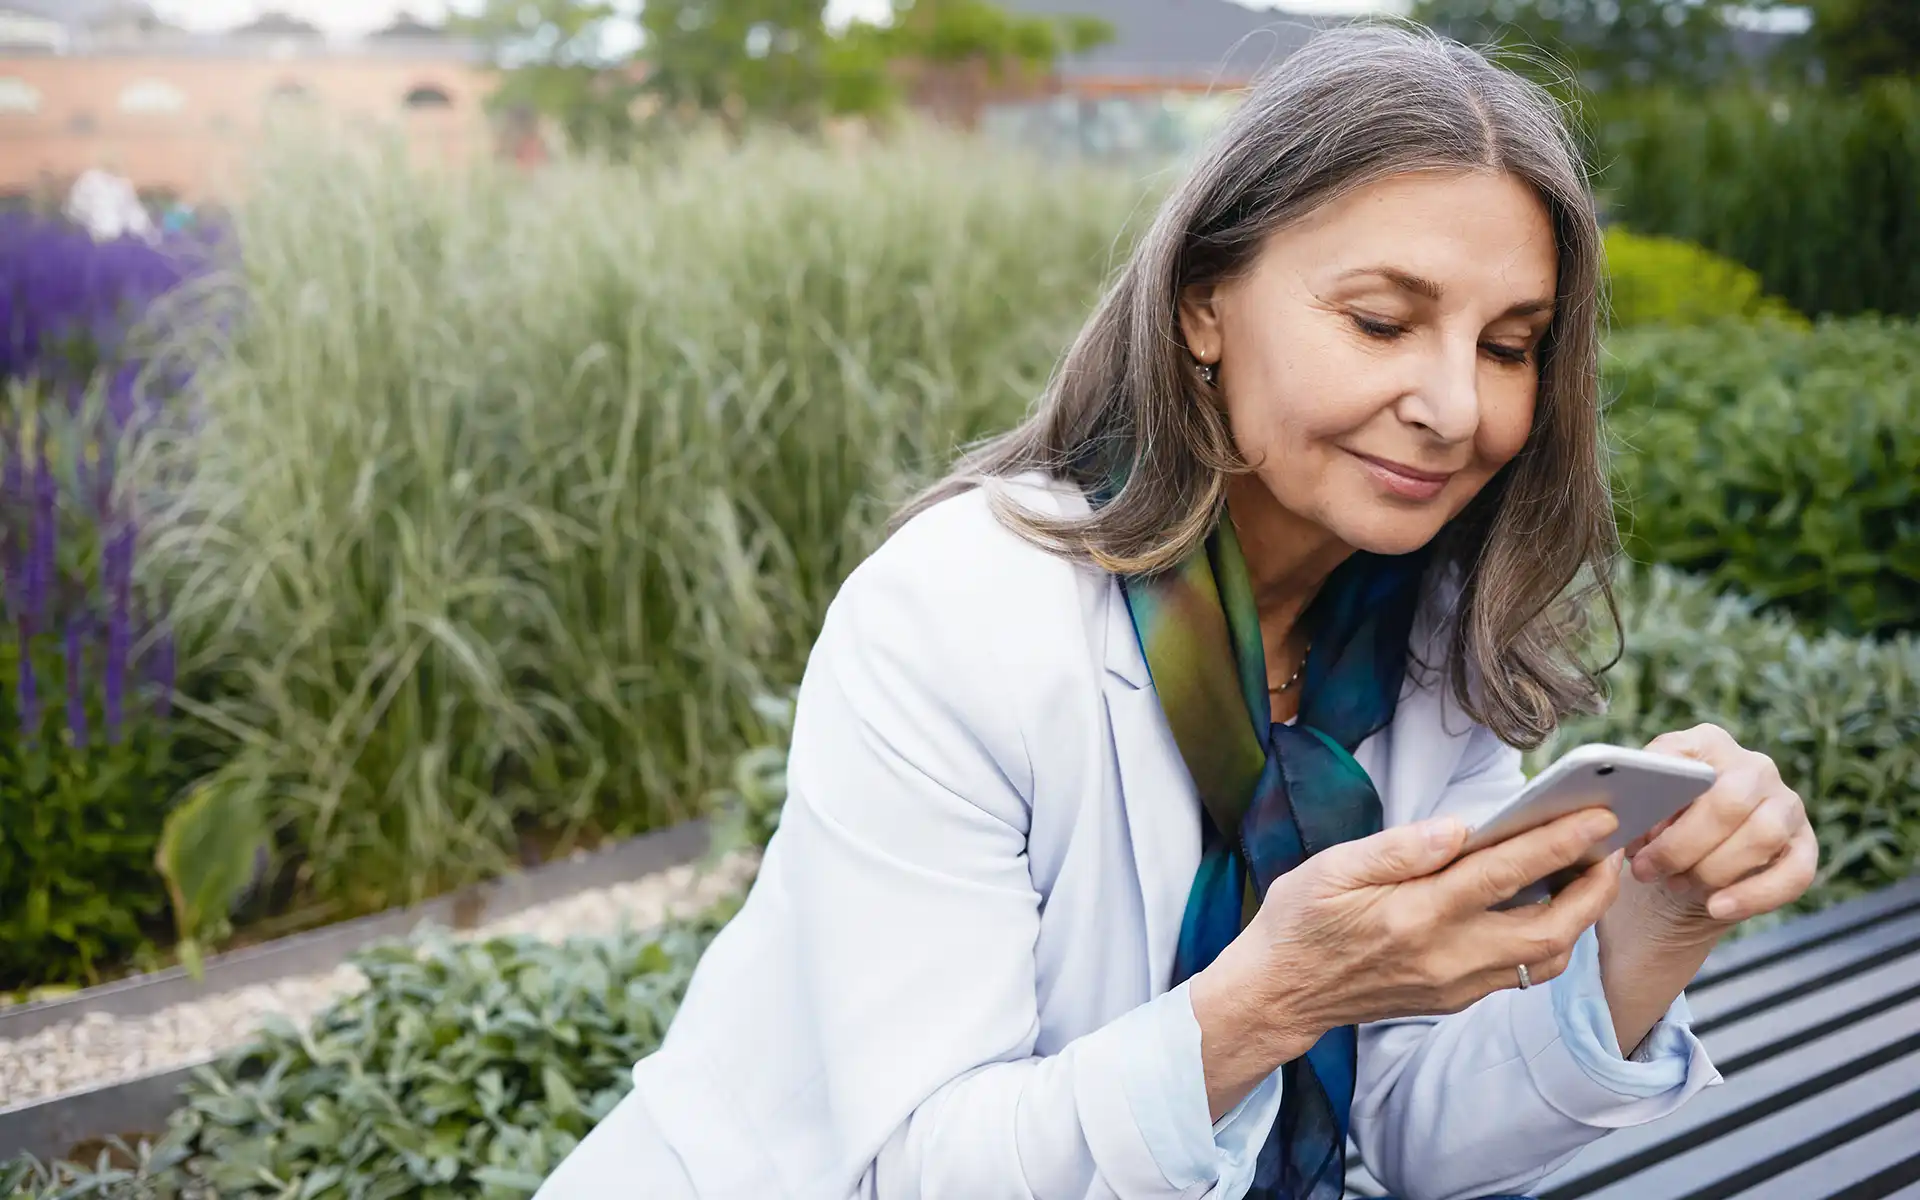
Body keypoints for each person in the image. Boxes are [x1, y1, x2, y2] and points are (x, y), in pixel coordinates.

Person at [535, 22, 1818, 1200]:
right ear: (1205, 301)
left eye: (1507, 346)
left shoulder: (1425, 647)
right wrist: (1274, 998)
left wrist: (1658, 923)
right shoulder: (953, 616)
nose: (1454, 406)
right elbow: (929, 1170)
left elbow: (1419, 1131)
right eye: (1382, 321)